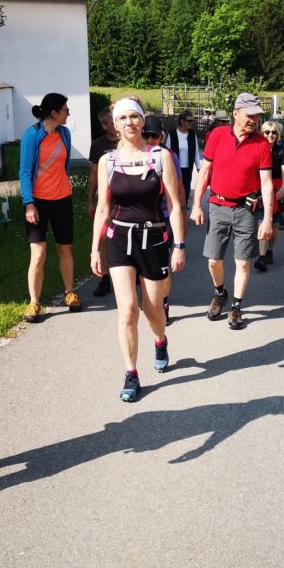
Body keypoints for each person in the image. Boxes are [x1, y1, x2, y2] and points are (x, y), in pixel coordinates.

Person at [91, 99, 186, 401]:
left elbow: (173, 204)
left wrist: (179, 245)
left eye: (134, 117)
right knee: (127, 311)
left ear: (142, 121)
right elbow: (103, 208)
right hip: (120, 239)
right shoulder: (108, 161)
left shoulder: (160, 157)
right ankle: (131, 373)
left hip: (154, 239)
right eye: (123, 118)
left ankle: (160, 340)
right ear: (115, 125)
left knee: (152, 310)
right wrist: (96, 249)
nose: (129, 122)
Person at [190, 92, 274, 330]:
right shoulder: (216, 135)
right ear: (235, 113)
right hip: (217, 205)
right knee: (213, 260)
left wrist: (267, 219)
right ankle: (219, 292)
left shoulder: (260, 143)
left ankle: (236, 306)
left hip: (246, 209)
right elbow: (205, 172)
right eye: (249, 116)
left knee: (243, 261)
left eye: (257, 117)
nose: (253, 120)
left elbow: (266, 184)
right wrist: (197, 204)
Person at [19, 93, 82, 322]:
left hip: (62, 200)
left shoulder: (64, 134)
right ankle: (34, 302)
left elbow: (63, 167)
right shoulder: (32, 135)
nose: (68, 113)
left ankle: (69, 293)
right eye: (65, 109)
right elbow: (25, 172)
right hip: (37, 203)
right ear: (54, 113)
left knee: (65, 249)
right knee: (39, 254)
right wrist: (29, 204)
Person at [143, 115, 186, 324]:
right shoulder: (132, 154)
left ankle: (164, 302)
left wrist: (183, 214)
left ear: (162, 136)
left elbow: (179, 188)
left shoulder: (169, 156)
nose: (150, 140)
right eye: (146, 135)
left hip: (164, 216)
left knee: (163, 264)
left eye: (155, 136)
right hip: (139, 219)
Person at [88, 105, 119, 298]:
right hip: (106, 198)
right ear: (104, 126)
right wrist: (90, 199)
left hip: (126, 197)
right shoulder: (98, 145)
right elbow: (93, 174)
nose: (116, 124)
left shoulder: (126, 142)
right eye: (112, 121)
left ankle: (132, 273)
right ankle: (105, 278)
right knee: (104, 237)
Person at [253, 120, 284, 272]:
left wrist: (283, 187)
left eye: (274, 132)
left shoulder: (282, 152)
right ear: (262, 133)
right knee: (262, 222)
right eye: (267, 132)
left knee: (274, 226)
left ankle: (269, 250)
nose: (270, 135)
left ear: (278, 134)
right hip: (259, 189)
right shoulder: (256, 150)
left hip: (276, 189)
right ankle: (261, 258)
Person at [167, 109, 202, 203]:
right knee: (175, 191)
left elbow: (196, 152)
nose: (191, 123)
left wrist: (199, 167)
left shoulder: (192, 134)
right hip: (175, 168)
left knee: (186, 191)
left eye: (192, 121)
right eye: (189, 120)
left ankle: (184, 210)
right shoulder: (172, 134)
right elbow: (167, 152)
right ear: (182, 121)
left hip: (187, 169)